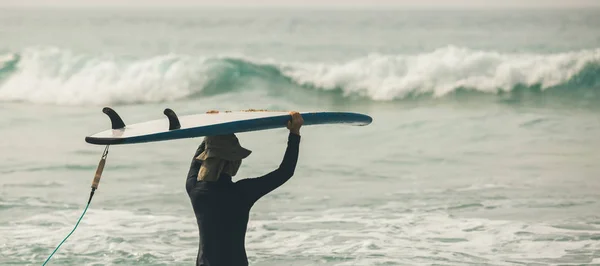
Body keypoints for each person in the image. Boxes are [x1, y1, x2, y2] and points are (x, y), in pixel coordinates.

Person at [185, 111, 304, 266]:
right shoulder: (242, 192)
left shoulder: (195, 190)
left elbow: (196, 162)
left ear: (206, 158)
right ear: (234, 162)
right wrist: (294, 133)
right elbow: (285, 171)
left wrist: (210, 132)